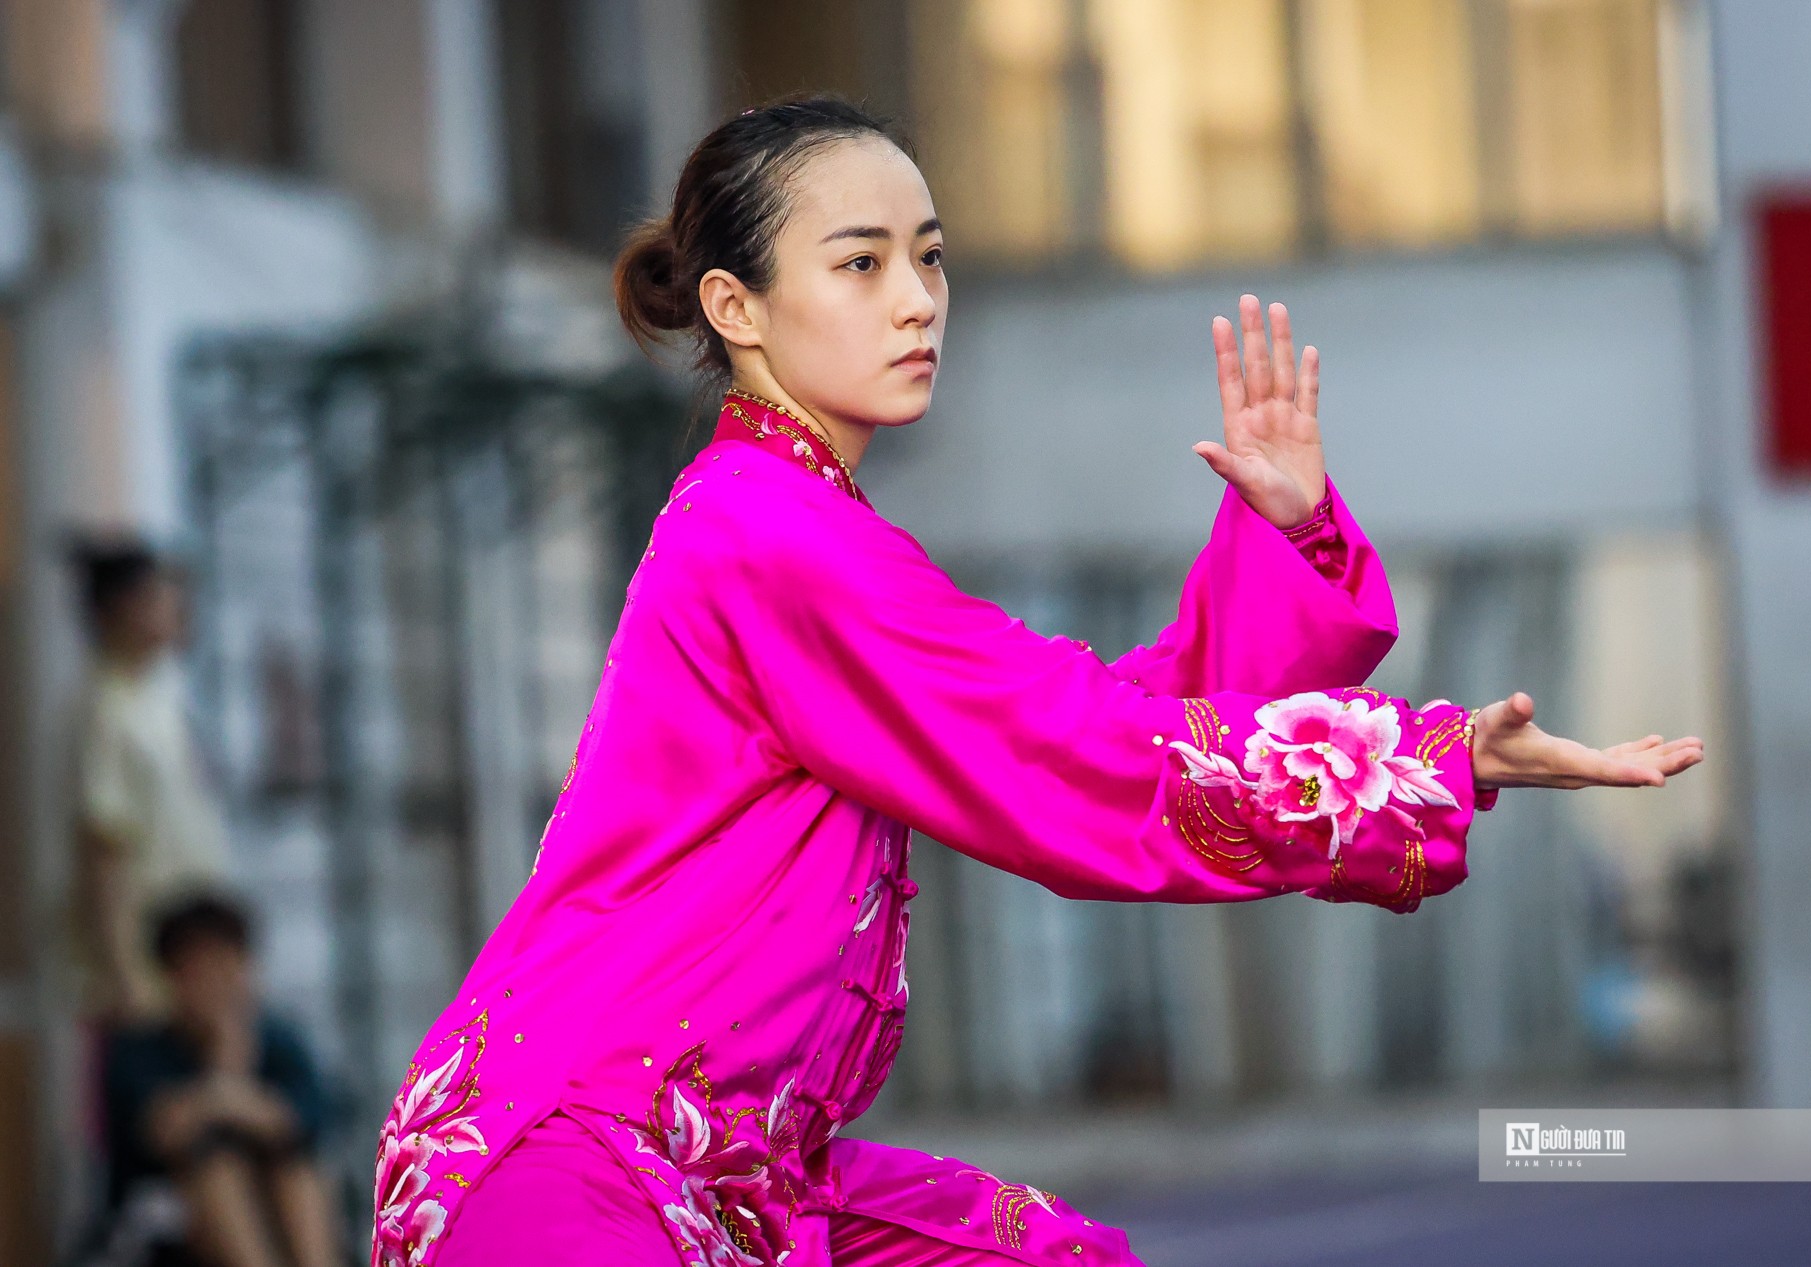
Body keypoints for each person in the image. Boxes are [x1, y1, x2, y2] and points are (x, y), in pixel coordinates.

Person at [371, 95, 1703, 1267]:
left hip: (724, 1169)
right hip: (568, 1158)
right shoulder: (765, 534)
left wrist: (1289, 540)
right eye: (861, 262)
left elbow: (1088, 720)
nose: (916, 298)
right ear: (737, 306)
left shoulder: (791, 521)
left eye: (930, 258)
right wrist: (1429, 761)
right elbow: (1065, 748)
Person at [104, 893, 345, 1267]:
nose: (217, 983)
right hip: (173, 1211)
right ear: (171, 975)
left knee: (299, 1173)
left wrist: (215, 1097)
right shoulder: (140, 1049)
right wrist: (227, 1075)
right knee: (219, 1171)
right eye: (201, 969)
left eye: (227, 964)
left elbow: (302, 1123)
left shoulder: (279, 1039)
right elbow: (164, 1133)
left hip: (276, 1197)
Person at [66, 535, 232, 1026]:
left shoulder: (160, 697)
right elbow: (104, 848)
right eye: (159, 596)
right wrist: (126, 977)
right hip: (147, 969)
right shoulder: (104, 711)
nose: (174, 608)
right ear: (120, 608)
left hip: (191, 955)